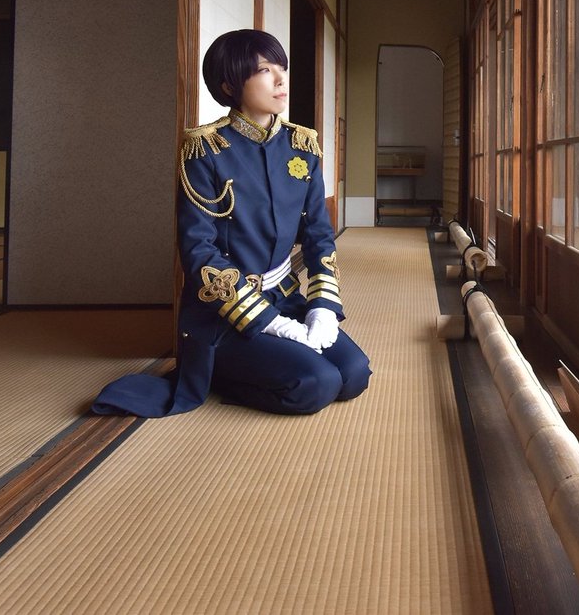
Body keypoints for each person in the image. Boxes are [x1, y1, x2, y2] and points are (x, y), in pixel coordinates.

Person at [93, 29, 371, 417]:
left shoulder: (302, 147)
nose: (281, 79)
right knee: (317, 384)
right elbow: (199, 250)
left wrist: (322, 308)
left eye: (282, 68)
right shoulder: (205, 151)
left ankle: (266, 362)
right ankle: (219, 374)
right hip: (225, 313)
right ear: (229, 85)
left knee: (354, 374)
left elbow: (319, 236)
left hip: (284, 297)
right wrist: (274, 325)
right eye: (265, 70)